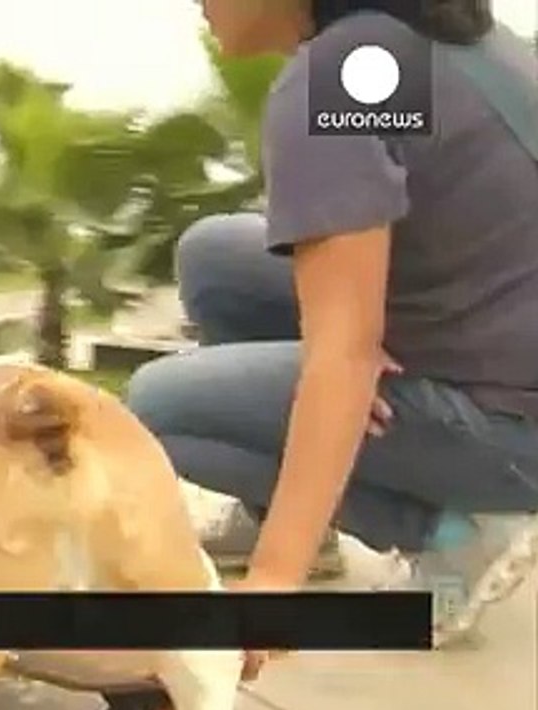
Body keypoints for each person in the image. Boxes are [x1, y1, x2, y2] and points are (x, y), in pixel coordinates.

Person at [124, 0, 538, 672]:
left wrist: (272, 584)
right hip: (503, 339)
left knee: (158, 411)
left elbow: (342, 353)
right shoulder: (429, 36)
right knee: (213, 258)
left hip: (512, 429)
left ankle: (455, 535)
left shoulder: (336, 81)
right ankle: (284, 516)